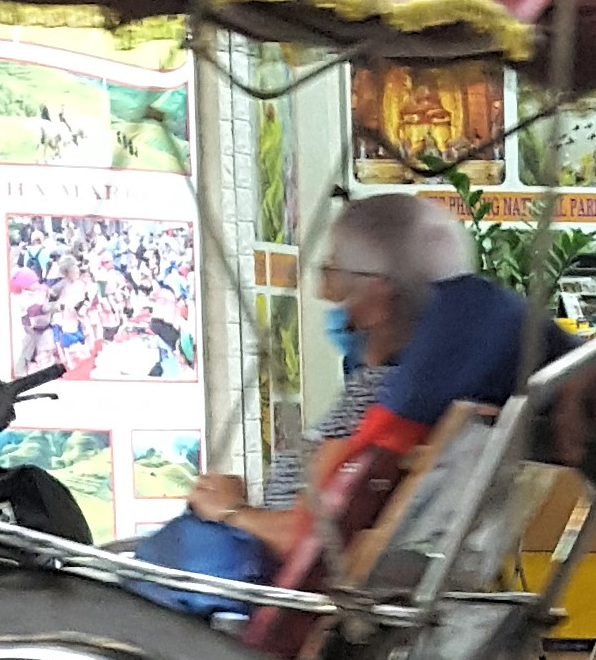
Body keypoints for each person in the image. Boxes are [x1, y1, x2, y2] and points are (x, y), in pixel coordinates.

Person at [154, 188, 530, 606]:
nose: (323, 293)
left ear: (377, 296)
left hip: (267, 598)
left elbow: (309, 541)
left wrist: (230, 510)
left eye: (331, 273)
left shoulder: (383, 405)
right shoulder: (425, 397)